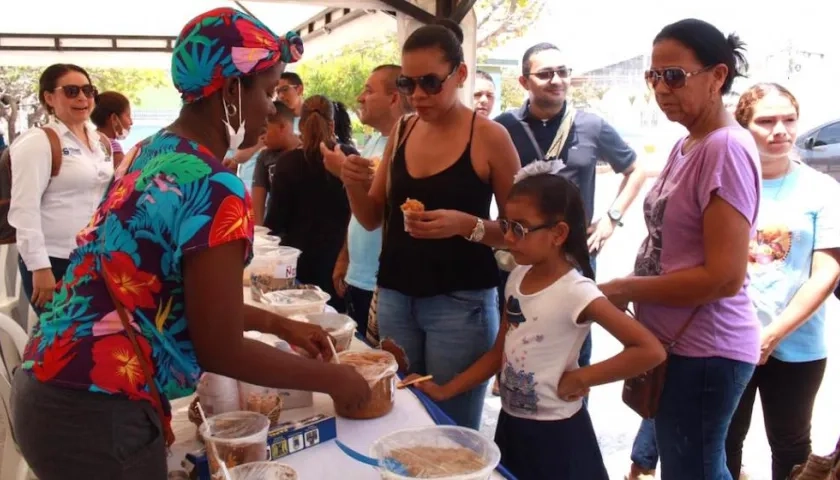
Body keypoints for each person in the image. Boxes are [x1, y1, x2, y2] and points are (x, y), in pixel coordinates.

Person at [10, 9, 370, 479]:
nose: (272, 108)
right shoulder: (216, 186)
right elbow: (221, 349)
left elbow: (168, 294)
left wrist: (278, 326)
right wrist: (337, 379)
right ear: (230, 91)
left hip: (53, 388)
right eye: (267, 91)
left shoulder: (153, 151)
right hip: (95, 411)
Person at [408, 161, 665, 480]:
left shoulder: (576, 291)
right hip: (512, 426)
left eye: (520, 228)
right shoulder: (516, 278)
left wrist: (582, 378)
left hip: (558, 436)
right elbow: (497, 354)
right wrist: (447, 390)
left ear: (558, 233)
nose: (509, 238)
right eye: (505, 226)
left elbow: (649, 350)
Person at [337, 19, 521, 429]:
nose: (418, 95)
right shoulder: (403, 130)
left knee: (450, 428)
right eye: (407, 84)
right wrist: (352, 184)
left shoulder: (489, 137)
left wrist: (467, 225)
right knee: (400, 419)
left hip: (460, 304)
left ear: (459, 74)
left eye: (430, 83)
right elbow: (370, 218)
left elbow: (523, 234)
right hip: (397, 296)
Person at [602, 19, 760, 480]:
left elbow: (724, 277)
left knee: (695, 470)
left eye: (675, 76)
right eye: (654, 76)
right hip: (677, 345)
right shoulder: (688, 143)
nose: (661, 88)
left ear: (718, 77)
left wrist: (625, 287)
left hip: (707, 350)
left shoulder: (725, 148)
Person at [495, 42, 647, 370]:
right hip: (518, 246)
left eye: (562, 72)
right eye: (545, 74)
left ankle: (572, 406)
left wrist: (612, 218)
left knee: (574, 334)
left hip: (574, 252)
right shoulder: (503, 126)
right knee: (517, 327)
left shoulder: (591, 125)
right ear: (524, 82)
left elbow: (636, 169)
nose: (556, 80)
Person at [724, 84, 840, 480]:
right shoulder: (725, 184)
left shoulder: (821, 189)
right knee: (724, 441)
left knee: (791, 446)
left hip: (799, 344)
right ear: (743, 127)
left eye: (788, 120)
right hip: (726, 340)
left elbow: (826, 272)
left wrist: (772, 335)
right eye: (766, 121)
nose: (780, 131)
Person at [9, 64, 114, 313]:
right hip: (54, 260)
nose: (82, 98)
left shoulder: (99, 141)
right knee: (62, 342)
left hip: (94, 258)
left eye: (88, 91)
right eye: (71, 91)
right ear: (49, 97)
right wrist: (39, 267)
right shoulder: (38, 141)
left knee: (92, 343)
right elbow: (25, 209)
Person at [330, 64, 411, 339]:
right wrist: (345, 256)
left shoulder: (408, 145)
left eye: (368, 90)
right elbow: (361, 211)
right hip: (358, 276)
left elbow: (392, 209)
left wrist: (346, 174)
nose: (360, 98)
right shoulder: (376, 141)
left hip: (385, 284)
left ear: (394, 98)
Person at [264, 95, 358, 311]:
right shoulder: (349, 157)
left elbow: (275, 222)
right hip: (340, 261)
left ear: (301, 125)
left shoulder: (287, 163)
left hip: (297, 261)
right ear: (333, 124)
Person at [252, 101, 300, 225]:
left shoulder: (308, 152)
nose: (260, 137)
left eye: (264, 130)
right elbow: (257, 206)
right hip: (275, 233)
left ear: (283, 127)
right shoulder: (264, 158)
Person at [91, 90, 133, 167]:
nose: (131, 122)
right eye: (128, 116)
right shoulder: (112, 146)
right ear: (114, 119)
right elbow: (122, 175)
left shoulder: (89, 138)